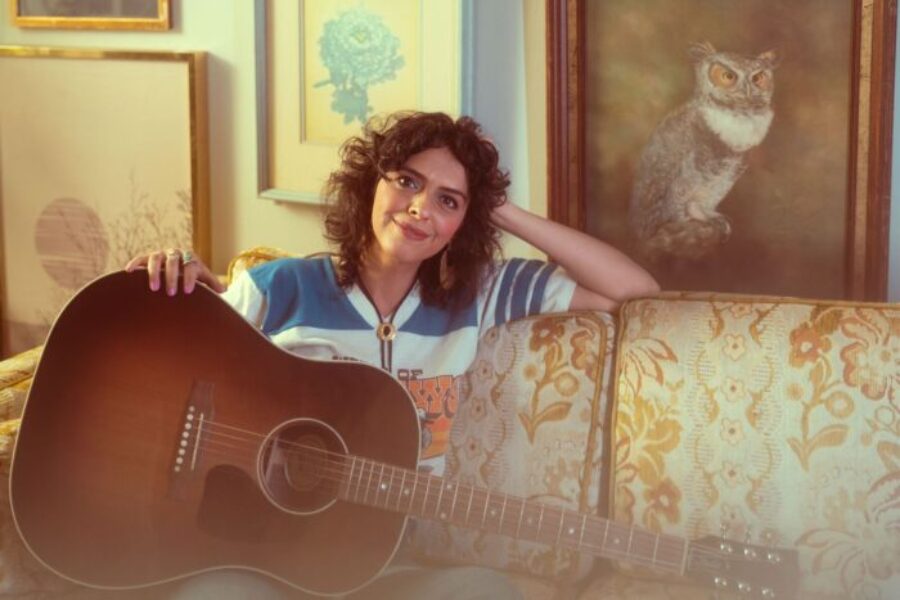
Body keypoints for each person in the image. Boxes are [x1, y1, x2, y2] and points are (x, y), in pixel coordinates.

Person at [125, 111, 659, 599]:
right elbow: (153, 374)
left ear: (462, 226)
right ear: (370, 183)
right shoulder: (283, 287)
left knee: (485, 591)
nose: (421, 208)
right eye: (407, 181)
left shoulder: (481, 296)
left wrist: (500, 209)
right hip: (258, 557)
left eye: (449, 201)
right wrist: (169, 289)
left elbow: (632, 291)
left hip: (384, 565)